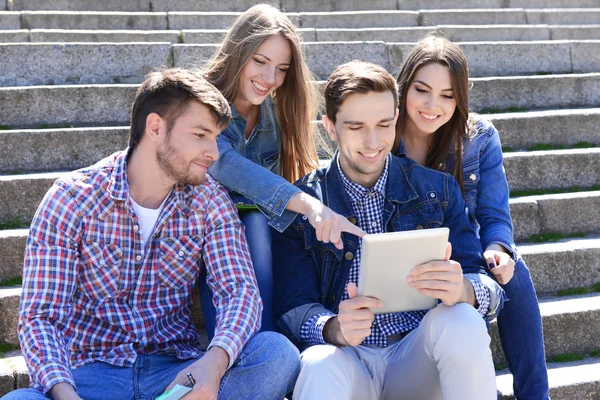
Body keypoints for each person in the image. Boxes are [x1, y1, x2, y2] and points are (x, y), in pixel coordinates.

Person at [3, 68, 299, 400]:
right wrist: (65, 394)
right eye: (200, 135)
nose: (214, 153)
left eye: (216, 137)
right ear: (156, 127)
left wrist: (213, 365)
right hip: (91, 377)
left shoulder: (209, 199)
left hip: (175, 374)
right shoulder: (72, 199)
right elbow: (41, 318)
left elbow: (239, 293)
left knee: (275, 353)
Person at [272, 60, 505, 400]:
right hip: (347, 361)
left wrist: (465, 290)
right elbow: (293, 308)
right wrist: (334, 327)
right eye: (356, 126)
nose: (372, 141)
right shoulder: (304, 203)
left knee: (463, 322)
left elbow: (489, 287)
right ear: (331, 128)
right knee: (318, 363)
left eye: (384, 124)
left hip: (416, 358)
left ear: (397, 119)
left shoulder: (437, 191)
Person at [394, 34, 548, 399]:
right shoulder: (382, 133)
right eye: (422, 90)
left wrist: (499, 249)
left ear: (460, 97)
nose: (433, 105)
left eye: (448, 95)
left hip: (466, 256)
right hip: (410, 260)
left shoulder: (478, 138)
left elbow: (494, 215)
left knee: (512, 269)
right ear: (404, 88)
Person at [200, 3, 364, 336]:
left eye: (281, 68)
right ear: (237, 52)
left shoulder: (275, 111)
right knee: (257, 223)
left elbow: (299, 173)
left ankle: (304, 330)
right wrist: (308, 204)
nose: (269, 78)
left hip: (259, 240)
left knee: (287, 227)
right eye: (259, 62)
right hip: (201, 236)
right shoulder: (199, 100)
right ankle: (261, 340)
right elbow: (222, 161)